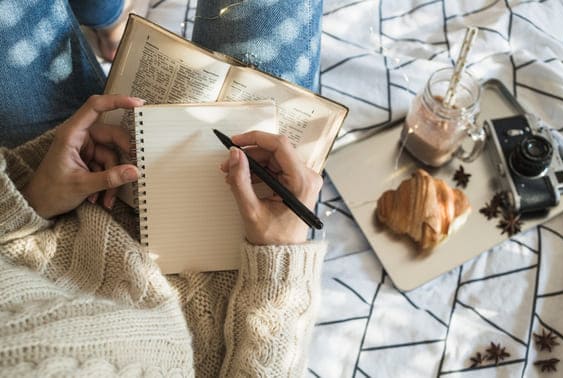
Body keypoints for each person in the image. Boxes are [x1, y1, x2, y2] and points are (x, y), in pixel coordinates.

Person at [0, 0, 326, 376]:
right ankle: (106, 20)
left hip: (43, 208)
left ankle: (105, 18)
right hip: (237, 270)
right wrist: (280, 260)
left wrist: (29, 201)